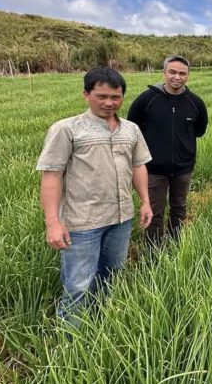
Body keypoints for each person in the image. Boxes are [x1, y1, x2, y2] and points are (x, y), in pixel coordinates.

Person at [36, 67, 152, 323]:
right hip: (82, 222)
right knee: (78, 285)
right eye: (101, 96)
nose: (109, 103)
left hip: (121, 219)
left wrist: (145, 202)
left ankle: (102, 326)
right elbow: (51, 176)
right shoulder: (67, 129)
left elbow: (138, 166)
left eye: (116, 97)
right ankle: (71, 344)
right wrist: (53, 222)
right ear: (86, 95)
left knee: (112, 276)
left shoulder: (131, 130)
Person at [127, 55, 208, 246]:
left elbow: (200, 130)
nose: (177, 77)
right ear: (164, 73)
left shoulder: (195, 102)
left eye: (182, 73)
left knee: (179, 208)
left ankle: (175, 243)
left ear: (188, 76)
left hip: (183, 167)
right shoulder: (147, 100)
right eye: (172, 72)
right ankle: (153, 252)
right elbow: (132, 129)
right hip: (153, 168)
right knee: (154, 211)